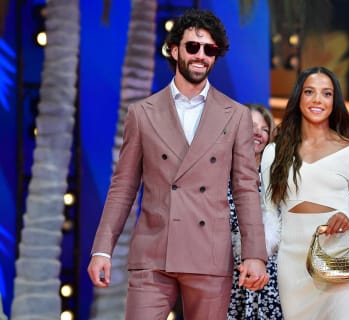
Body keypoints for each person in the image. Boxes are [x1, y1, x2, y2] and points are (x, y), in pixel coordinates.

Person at [87, 9, 269, 320]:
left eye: (209, 49)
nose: (201, 56)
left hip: (209, 255)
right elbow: (123, 187)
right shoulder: (142, 113)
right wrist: (102, 249)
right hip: (154, 253)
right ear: (175, 50)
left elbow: (245, 189)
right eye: (193, 47)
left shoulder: (236, 115)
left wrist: (255, 254)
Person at [261, 66, 349, 319]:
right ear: (298, 98)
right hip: (293, 266)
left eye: (326, 93)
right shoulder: (274, 153)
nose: (318, 99)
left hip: (341, 261)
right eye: (310, 92)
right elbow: (268, 214)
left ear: (334, 101)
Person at [228, 103, 283, 319]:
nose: (257, 133)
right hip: (228, 272)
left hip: (271, 276)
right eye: (250, 126)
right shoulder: (219, 171)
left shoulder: (279, 175)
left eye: (264, 128)